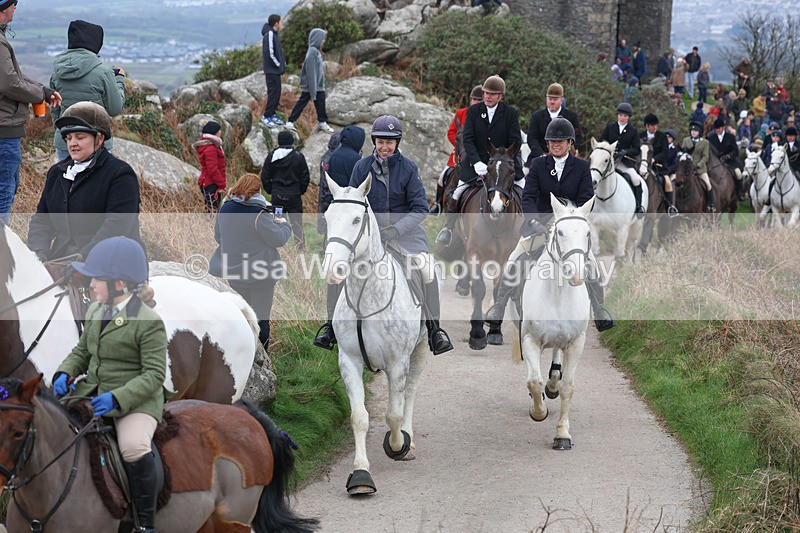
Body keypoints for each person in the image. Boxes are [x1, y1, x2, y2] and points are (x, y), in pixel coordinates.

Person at [53, 236, 169, 533]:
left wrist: (117, 398)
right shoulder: (95, 310)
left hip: (136, 401)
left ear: (120, 284)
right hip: (92, 391)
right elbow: (82, 351)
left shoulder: (149, 321)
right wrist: (63, 373)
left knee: (133, 447)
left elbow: (154, 375)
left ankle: (144, 524)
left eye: (96, 279)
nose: (90, 284)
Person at [483, 117, 615, 332]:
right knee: (515, 257)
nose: (556, 144)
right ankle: (498, 308)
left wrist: (572, 217)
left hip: (571, 223)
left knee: (591, 263)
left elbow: (586, 198)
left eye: (560, 141)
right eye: (552, 141)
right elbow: (528, 197)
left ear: (570, 143)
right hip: (541, 222)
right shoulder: (538, 164)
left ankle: (599, 311)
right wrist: (533, 220)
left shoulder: (582, 167)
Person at [346, 115, 453, 355]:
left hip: (407, 238)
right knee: (340, 268)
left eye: (389, 142)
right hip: (370, 238)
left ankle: (434, 330)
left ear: (397, 142)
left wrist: (396, 229)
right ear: (374, 141)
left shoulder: (408, 168)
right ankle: (332, 327)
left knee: (427, 269)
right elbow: (352, 204)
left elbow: (420, 208)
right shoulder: (361, 168)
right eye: (380, 142)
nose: (384, 147)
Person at [28, 101, 139, 262]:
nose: (72, 143)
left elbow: (117, 225)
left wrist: (82, 259)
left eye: (80, 137)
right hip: (61, 260)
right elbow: (42, 220)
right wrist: (38, 255)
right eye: (69, 138)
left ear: (99, 139)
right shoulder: (56, 173)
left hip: (109, 262)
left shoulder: (120, 174)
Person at [436, 74, 523, 246]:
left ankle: (529, 228)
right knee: (458, 192)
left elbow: (515, 141)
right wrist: (477, 162)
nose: (488, 96)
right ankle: (448, 228)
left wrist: (500, 159)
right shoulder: (474, 112)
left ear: (501, 96)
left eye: (492, 94)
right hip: (475, 163)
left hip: (503, 163)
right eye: (485, 93)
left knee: (525, 189)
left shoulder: (510, 113)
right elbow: (468, 140)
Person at [210, 173, 291, 352]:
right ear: (257, 191)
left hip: (234, 271)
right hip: (260, 274)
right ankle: (260, 359)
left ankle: (239, 354)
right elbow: (278, 239)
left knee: (241, 316)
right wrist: (284, 224)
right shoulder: (259, 214)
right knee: (261, 319)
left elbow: (218, 237)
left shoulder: (225, 208)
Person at [0, 0, 62, 224]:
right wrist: (38, 96)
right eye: (13, 3)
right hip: (4, 130)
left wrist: (43, 91)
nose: (16, 7)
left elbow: (13, 76)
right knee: (4, 191)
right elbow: (10, 84)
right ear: (4, 7)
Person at [313, 124, 365, 350]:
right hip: (349, 221)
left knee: (333, 276)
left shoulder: (329, 156)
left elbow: (324, 190)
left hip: (332, 219)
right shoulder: (357, 160)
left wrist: (322, 220)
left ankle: (330, 325)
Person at [50, 19, 125, 162]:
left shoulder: (57, 72)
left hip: (65, 141)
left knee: (66, 177)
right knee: (97, 177)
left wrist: (62, 131)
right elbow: (115, 109)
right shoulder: (103, 72)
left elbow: (55, 108)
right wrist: (119, 80)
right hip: (95, 143)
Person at [431, 85, 484, 215]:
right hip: (459, 154)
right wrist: (461, 146)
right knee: (442, 176)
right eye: (474, 99)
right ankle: (438, 204)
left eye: (479, 100)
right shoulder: (461, 113)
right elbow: (451, 132)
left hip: (478, 156)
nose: (476, 102)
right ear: (470, 100)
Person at [261, 130, 310, 250]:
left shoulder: (272, 156)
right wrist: (300, 191)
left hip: (277, 197)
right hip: (294, 197)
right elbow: (305, 177)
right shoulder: (298, 156)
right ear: (292, 142)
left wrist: (271, 190)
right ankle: (300, 248)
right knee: (297, 224)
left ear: (279, 142)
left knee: (278, 222)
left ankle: (280, 248)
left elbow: (265, 176)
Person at [285, 28, 334, 134]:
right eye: (322, 39)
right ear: (316, 39)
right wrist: (313, 90)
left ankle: (322, 121)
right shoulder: (312, 53)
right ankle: (290, 121)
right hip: (311, 85)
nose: (323, 41)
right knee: (302, 102)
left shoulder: (316, 52)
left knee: (320, 102)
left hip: (318, 85)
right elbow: (311, 73)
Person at [598, 102, 644, 214]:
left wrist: (625, 151)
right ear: (617, 115)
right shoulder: (610, 128)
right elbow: (602, 140)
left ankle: (638, 206)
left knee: (636, 179)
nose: (622, 118)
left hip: (624, 163)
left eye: (625, 116)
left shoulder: (633, 131)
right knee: (595, 176)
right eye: (620, 115)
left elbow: (637, 149)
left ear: (629, 117)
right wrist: (608, 148)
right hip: (608, 161)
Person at [525, 83, 583, 164]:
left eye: (555, 99)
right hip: (539, 157)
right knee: (525, 171)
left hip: (565, 158)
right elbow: (532, 138)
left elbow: (578, 137)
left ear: (561, 100)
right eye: (550, 99)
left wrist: (566, 152)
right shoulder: (537, 116)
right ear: (546, 99)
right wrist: (542, 154)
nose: (552, 102)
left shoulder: (571, 116)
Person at [640, 113, 676, 211]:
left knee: (668, 183)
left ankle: (670, 206)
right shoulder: (640, 136)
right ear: (647, 126)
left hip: (659, 166)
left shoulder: (662, 136)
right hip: (643, 165)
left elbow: (665, 152)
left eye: (656, 125)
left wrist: (654, 159)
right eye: (652, 125)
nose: (655, 127)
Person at [680, 122, 715, 212]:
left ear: (700, 132)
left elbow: (705, 157)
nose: (693, 132)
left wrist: (698, 165)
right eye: (692, 130)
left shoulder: (705, 142)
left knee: (708, 185)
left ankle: (711, 204)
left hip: (700, 170)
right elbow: (683, 153)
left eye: (695, 131)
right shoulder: (686, 140)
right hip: (687, 170)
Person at [707, 117, 744, 201]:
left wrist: (728, 156)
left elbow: (735, 150)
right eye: (716, 129)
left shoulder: (730, 137)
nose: (717, 130)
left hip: (729, 161)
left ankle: (739, 192)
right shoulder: (711, 138)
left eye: (719, 128)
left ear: (723, 127)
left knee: (738, 174)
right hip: (715, 162)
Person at [260, 14, 286, 128]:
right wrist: (278, 65)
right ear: (276, 23)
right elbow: (269, 53)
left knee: (277, 93)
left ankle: (272, 113)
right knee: (273, 93)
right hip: (272, 71)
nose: (282, 23)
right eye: (281, 21)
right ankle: (266, 116)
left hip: (275, 71)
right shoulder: (270, 34)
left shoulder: (274, 33)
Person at [193, 120, 226, 212]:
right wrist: (221, 184)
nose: (220, 132)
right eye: (219, 130)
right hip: (210, 183)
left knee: (211, 209)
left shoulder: (212, 145)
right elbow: (212, 169)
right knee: (212, 211)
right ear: (214, 132)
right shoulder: (211, 148)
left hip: (210, 182)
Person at [316, 129, 342, 235]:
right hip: (328, 193)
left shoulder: (328, 156)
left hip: (327, 192)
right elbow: (326, 178)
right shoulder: (329, 157)